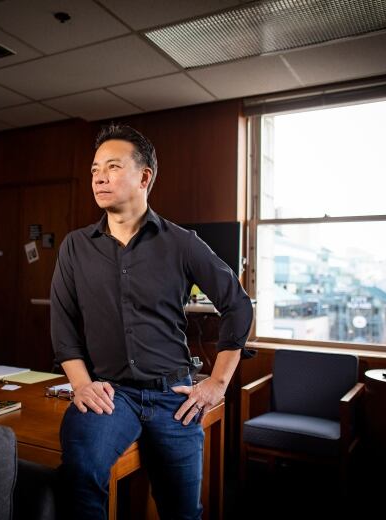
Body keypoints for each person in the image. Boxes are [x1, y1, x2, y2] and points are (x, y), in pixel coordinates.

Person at [50, 123, 253, 519]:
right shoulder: (75, 246)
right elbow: (62, 323)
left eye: (111, 166)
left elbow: (238, 306)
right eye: (94, 169)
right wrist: (81, 384)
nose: (99, 177)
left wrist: (216, 384)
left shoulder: (182, 243)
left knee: (183, 511)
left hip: (173, 398)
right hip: (111, 395)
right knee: (79, 476)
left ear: (145, 177)